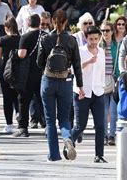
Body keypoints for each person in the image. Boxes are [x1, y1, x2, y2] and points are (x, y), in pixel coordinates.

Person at [37, 9, 84, 162]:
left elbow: (39, 62)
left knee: (50, 120)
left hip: (48, 81)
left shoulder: (45, 39)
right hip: (65, 81)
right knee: (64, 118)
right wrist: (81, 86)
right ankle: (67, 139)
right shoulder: (71, 40)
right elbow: (77, 65)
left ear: (52, 21)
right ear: (65, 22)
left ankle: (54, 155)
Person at [71, 26, 107, 163]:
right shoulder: (80, 51)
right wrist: (88, 62)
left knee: (100, 125)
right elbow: (73, 69)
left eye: (96, 39)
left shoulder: (102, 52)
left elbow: (102, 71)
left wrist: (103, 86)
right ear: (86, 38)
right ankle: (69, 141)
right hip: (82, 91)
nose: (93, 41)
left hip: (98, 91)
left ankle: (99, 155)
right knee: (80, 125)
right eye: (91, 39)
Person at [13, 14, 44, 137]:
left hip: (28, 73)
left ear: (28, 23)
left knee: (24, 100)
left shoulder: (25, 37)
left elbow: (21, 54)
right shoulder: (45, 36)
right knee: (43, 100)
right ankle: (48, 124)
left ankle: (23, 127)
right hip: (43, 72)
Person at [0, 17, 20, 134]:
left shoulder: (2, 40)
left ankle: (9, 124)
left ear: (6, 28)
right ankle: (19, 116)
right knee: (18, 96)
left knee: (7, 98)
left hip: (6, 71)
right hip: (19, 71)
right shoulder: (21, 39)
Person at [100, 21, 118, 146]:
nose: (105, 33)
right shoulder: (98, 47)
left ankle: (111, 135)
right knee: (104, 110)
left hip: (114, 80)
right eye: (103, 30)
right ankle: (104, 135)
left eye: (107, 30)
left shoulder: (116, 46)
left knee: (113, 110)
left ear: (112, 31)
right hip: (101, 82)